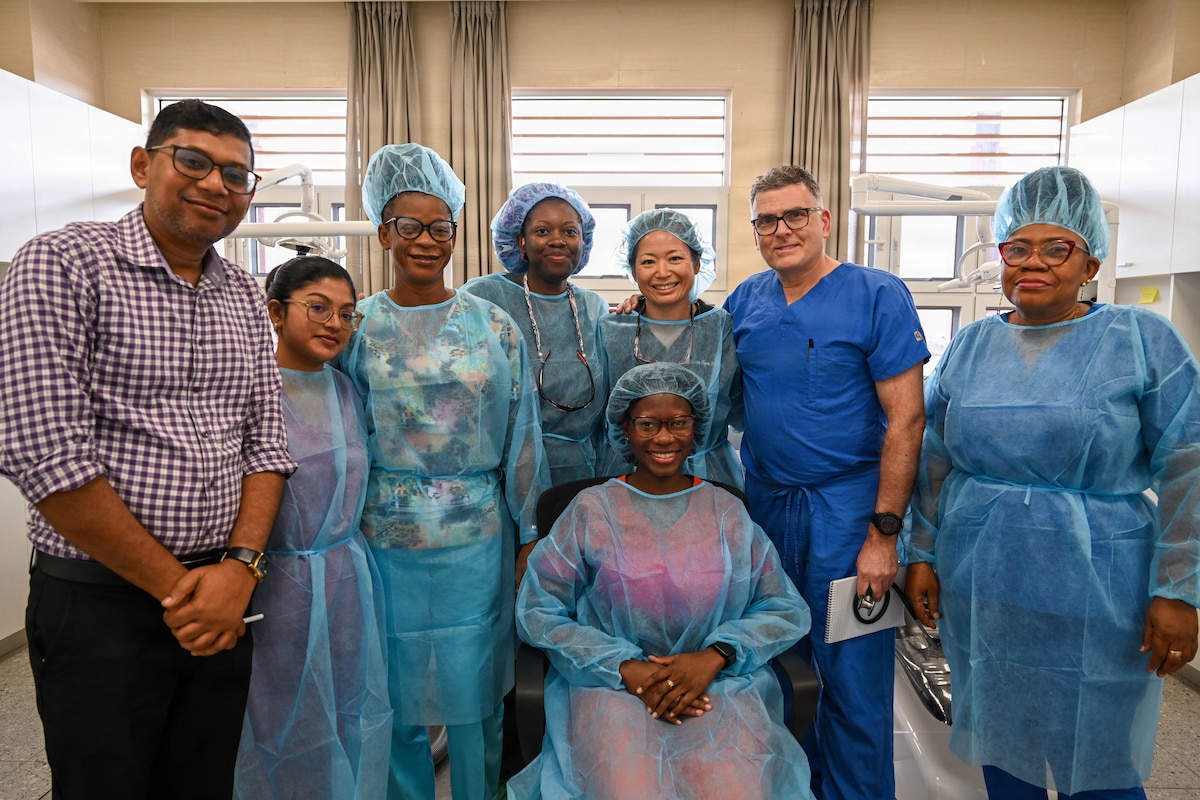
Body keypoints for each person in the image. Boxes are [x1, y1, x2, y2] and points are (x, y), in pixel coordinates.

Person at [0, 99, 296, 798]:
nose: (214, 185)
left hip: (225, 594)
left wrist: (239, 570)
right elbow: (45, 453)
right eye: (192, 161)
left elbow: (267, 444)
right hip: (102, 606)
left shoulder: (244, 299)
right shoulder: (62, 265)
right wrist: (179, 590)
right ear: (143, 165)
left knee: (203, 782)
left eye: (235, 174)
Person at [903, 166, 1200, 800]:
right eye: (1017, 248)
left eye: (1056, 247)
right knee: (1003, 742)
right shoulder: (971, 346)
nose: (1032, 263)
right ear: (1001, 259)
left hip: (1101, 583)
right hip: (985, 578)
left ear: (1090, 263)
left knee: (1098, 755)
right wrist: (921, 553)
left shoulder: (1140, 339)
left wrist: (1178, 591)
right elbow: (933, 455)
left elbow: (1188, 461)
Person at [338, 143, 550, 800]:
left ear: (456, 233)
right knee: (394, 691)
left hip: (477, 538)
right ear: (382, 231)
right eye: (410, 226)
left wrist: (530, 534)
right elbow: (343, 437)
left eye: (441, 227)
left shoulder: (493, 326)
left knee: (474, 691)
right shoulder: (357, 328)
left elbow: (523, 437)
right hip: (383, 538)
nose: (426, 241)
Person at [506, 362, 814, 800]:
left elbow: (781, 606)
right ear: (625, 430)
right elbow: (539, 609)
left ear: (697, 429)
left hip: (718, 686)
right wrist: (624, 666)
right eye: (647, 424)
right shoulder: (591, 510)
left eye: (678, 423)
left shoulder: (727, 513)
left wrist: (716, 655)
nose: (664, 437)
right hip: (612, 688)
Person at [722, 165, 929, 800]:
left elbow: (907, 419)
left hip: (852, 515)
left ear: (824, 220)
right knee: (781, 668)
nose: (781, 229)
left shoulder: (877, 294)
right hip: (769, 513)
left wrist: (883, 537)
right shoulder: (746, 301)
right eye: (766, 220)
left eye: (795, 215)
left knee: (855, 680)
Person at [233, 256, 391, 798]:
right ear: (275, 312)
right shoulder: (247, 392)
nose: (334, 324)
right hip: (273, 588)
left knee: (351, 709)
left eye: (347, 315)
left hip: (347, 580)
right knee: (275, 722)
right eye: (318, 308)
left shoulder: (345, 390)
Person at [462, 182, 608, 484]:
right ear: (520, 241)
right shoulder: (484, 298)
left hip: (582, 473)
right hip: (507, 473)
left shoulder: (594, 308)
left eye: (570, 232)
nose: (558, 240)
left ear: (584, 242)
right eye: (543, 231)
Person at [599, 208, 744, 487]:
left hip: (709, 477)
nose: (662, 272)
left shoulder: (722, 327)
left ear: (698, 263)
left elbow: (740, 407)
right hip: (628, 480)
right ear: (632, 270)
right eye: (648, 261)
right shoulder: (612, 329)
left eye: (675, 258)